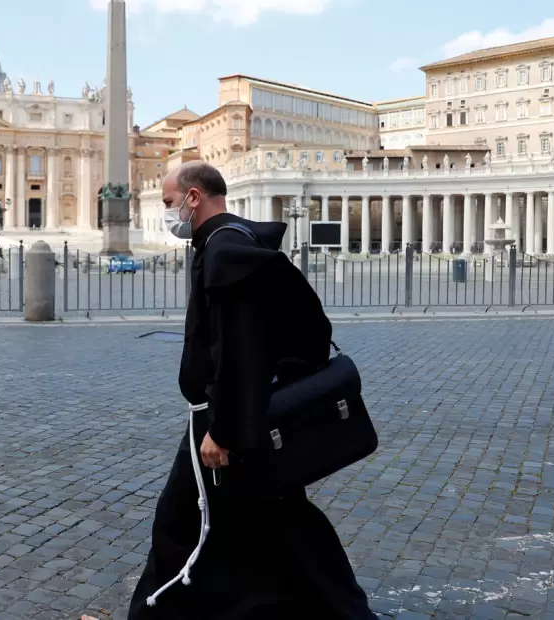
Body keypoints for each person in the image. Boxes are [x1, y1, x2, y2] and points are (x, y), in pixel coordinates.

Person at [80, 162, 375, 620]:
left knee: (180, 521)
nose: (167, 211)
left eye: (168, 201)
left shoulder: (223, 252)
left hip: (227, 416)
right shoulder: (236, 239)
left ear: (193, 197)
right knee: (279, 517)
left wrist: (222, 430)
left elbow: (240, 349)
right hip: (243, 410)